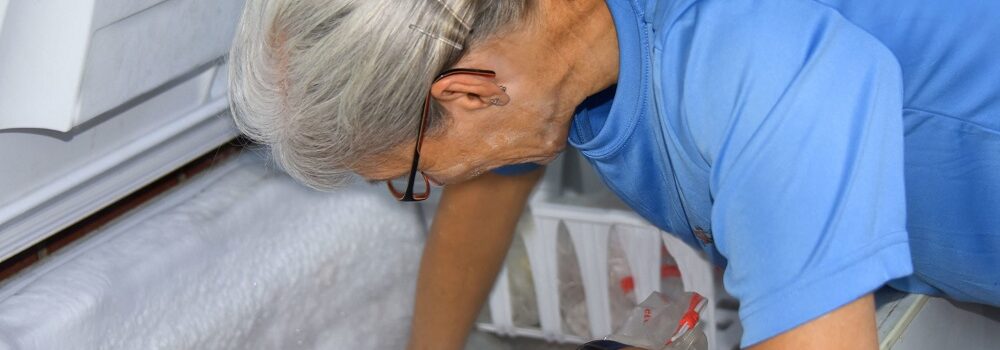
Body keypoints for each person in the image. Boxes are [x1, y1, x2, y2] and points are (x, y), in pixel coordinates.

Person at [227, 0, 1000, 348]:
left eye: (411, 177)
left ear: (464, 93)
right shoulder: (557, 59)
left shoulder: (740, 62)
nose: (434, 192)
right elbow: (485, 190)